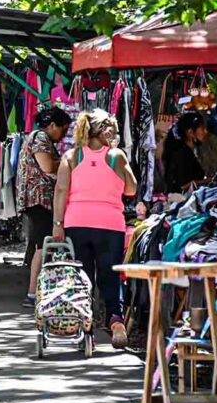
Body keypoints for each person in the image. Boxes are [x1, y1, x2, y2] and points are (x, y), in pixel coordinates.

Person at [53, 109, 137, 349]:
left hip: (76, 222)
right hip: (110, 224)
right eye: (111, 128)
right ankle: (116, 320)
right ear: (101, 130)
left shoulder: (71, 156)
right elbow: (131, 189)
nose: (115, 133)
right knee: (110, 276)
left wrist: (58, 225)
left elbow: (60, 191)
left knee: (82, 276)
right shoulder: (116, 156)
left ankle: (85, 323)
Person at [17, 106, 72, 308]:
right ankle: (32, 293)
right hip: (39, 200)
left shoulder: (39, 138)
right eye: (63, 130)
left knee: (42, 244)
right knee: (43, 245)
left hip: (38, 200)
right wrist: (71, 162)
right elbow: (47, 166)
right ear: (51, 125)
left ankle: (38, 291)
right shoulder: (40, 138)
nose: (63, 135)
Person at [163, 112, 208, 193]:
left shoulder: (187, 151)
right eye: (202, 128)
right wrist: (208, 181)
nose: (205, 131)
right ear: (190, 132)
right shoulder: (182, 154)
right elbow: (182, 186)